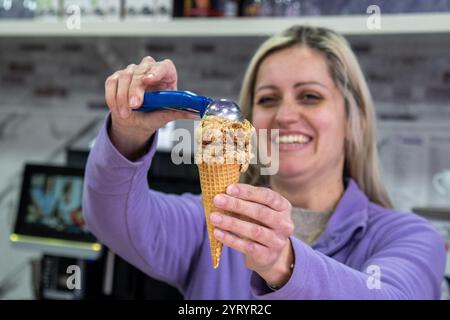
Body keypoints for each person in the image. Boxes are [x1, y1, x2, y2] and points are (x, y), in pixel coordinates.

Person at [83, 25, 446, 299]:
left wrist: (283, 264)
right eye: (268, 99)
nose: (286, 115)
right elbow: (110, 217)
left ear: (354, 121)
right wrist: (127, 132)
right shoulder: (210, 221)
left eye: (310, 96)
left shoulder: (410, 237)